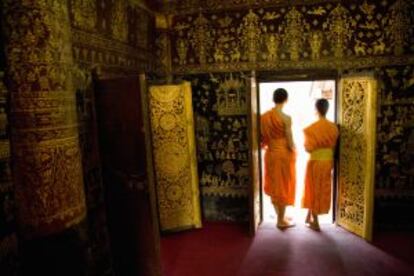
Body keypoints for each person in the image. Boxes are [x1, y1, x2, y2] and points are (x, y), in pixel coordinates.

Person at [261, 88, 296, 229]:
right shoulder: (286, 118)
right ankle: (280, 221)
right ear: (286, 100)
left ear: (273, 99)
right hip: (283, 154)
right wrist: (295, 149)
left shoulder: (264, 117)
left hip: (270, 153)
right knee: (283, 186)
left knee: (274, 184)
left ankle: (280, 216)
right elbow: (290, 140)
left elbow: (262, 138)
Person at [302, 99, 339, 231]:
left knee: (314, 188)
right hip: (328, 161)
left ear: (316, 109)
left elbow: (308, 149)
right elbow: (334, 147)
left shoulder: (310, 129)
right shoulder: (334, 127)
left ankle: (315, 221)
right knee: (322, 188)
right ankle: (310, 215)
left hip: (315, 161)